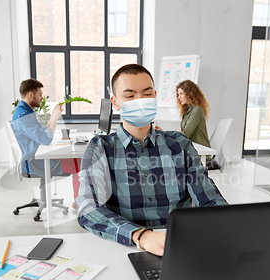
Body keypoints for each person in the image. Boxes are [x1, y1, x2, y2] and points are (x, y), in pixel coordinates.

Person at [76, 64, 228, 257]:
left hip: (178, 247)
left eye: (147, 94)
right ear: (115, 102)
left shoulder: (179, 144)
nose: (139, 101)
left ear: (155, 96)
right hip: (125, 248)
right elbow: (88, 208)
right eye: (130, 96)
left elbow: (210, 199)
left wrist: (226, 225)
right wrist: (142, 236)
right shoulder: (100, 148)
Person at [12, 79, 81, 209]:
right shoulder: (23, 115)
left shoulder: (26, 111)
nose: (42, 98)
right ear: (31, 95)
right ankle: (79, 202)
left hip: (37, 156)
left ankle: (79, 200)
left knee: (77, 160)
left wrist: (52, 119)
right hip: (34, 162)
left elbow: (41, 132)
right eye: (40, 95)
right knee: (80, 163)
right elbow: (45, 139)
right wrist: (54, 118)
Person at [156, 80, 211, 148]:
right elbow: (181, 132)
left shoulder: (197, 110)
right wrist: (163, 132)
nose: (179, 97)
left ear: (189, 94)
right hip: (192, 149)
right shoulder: (188, 111)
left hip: (201, 151)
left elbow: (185, 134)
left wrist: (164, 134)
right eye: (178, 94)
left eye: (181, 93)